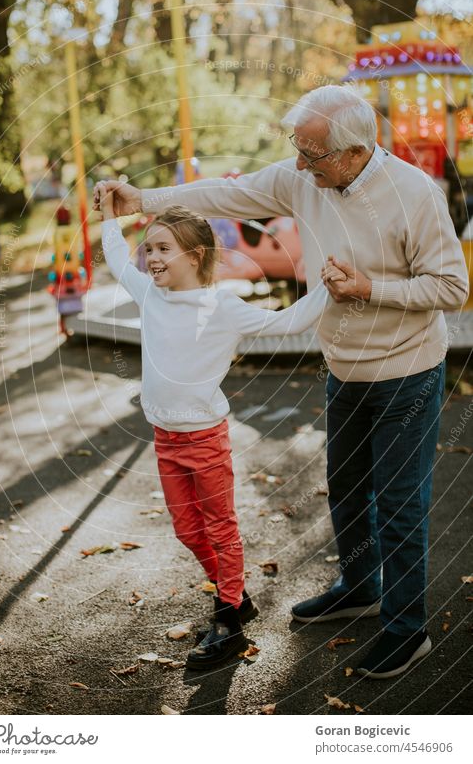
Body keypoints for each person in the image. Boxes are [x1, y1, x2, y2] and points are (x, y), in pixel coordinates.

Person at [93, 84, 469, 679]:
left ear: (351, 153)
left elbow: (451, 288)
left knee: (399, 504)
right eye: (297, 148)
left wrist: (370, 289)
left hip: (407, 373)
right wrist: (143, 199)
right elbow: (231, 192)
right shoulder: (305, 178)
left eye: (311, 153)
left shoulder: (414, 195)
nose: (298, 164)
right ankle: (359, 586)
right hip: (343, 369)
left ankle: (405, 627)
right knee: (345, 489)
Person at [95, 190, 342, 670]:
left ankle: (228, 616)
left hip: (206, 439)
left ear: (195, 255)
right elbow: (113, 256)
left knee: (221, 528)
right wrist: (109, 216)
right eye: (149, 248)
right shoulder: (149, 294)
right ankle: (235, 595)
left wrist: (325, 288)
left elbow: (288, 323)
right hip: (165, 439)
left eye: (164, 248)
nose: (152, 256)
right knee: (188, 531)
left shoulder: (221, 307)